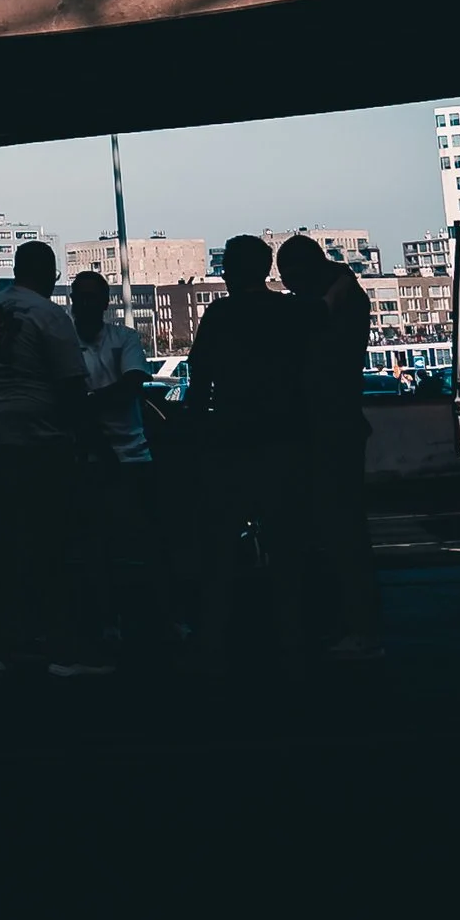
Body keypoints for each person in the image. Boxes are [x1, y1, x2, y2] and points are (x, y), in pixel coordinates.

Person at [0, 242, 103, 675]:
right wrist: (86, 442)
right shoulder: (48, 315)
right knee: (51, 545)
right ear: (50, 274)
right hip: (37, 441)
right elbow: (70, 386)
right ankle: (60, 649)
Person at [187, 233, 310, 663]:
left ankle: (214, 636)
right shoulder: (290, 312)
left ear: (231, 272)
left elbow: (200, 377)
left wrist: (197, 427)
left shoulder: (220, 315)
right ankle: (292, 632)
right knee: (286, 539)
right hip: (284, 438)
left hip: (231, 438)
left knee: (220, 542)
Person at [278, 231, 383, 659]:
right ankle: (357, 623)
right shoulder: (350, 300)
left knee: (331, 530)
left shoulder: (313, 310)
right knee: (346, 528)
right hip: (342, 424)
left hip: (319, 428)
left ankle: (350, 624)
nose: (285, 285)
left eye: (288, 276)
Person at [70, 267, 160, 647]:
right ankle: (117, 619)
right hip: (98, 457)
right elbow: (128, 386)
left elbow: (132, 385)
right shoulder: (113, 342)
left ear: (105, 302)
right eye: (81, 297)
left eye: (92, 297)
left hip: (127, 455)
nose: (86, 304)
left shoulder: (123, 337)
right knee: (98, 546)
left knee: (137, 543)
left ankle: (147, 617)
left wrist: (84, 403)